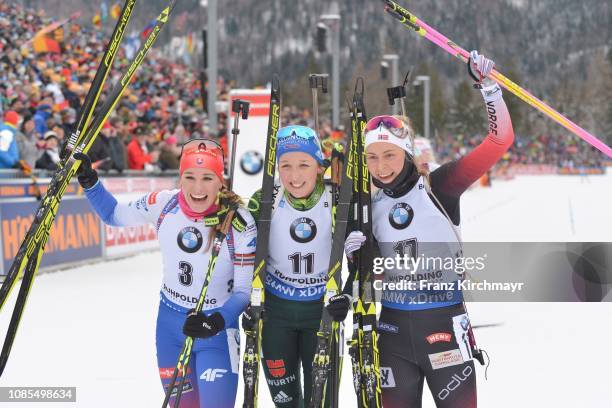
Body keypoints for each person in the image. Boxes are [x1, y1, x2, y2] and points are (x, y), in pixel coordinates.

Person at [343, 51, 514, 407]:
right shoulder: (368, 209)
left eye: (389, 155)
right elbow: (367, 282)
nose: (380, 166)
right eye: (372, 157)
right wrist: (356, 260)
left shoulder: (440, 186)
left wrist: (489, 87)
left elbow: (499, 142)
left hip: (446, 334)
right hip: (391, 339)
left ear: (407, 154)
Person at [74, 139, 257, 408]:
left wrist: (216, 321)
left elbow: (243, 293)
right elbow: (114, 214)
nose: (197, 187)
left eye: (207, 178)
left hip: (216, 332)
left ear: (221, 181)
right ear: (180, 177)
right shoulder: (163, 204)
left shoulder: (239, 221)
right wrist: (90, 182)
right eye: (189, 177)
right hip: (171, 327)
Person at [245, 125, 350, 407]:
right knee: (286, 402)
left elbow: (362, 257)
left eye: (304, 164)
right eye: (285, 165)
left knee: (323, 402)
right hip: (276, 315)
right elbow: (239, 253)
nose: (294, 175)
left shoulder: (337, 199)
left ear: (319, 166)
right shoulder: (264, 199)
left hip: (321, 313)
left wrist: (348, 295)